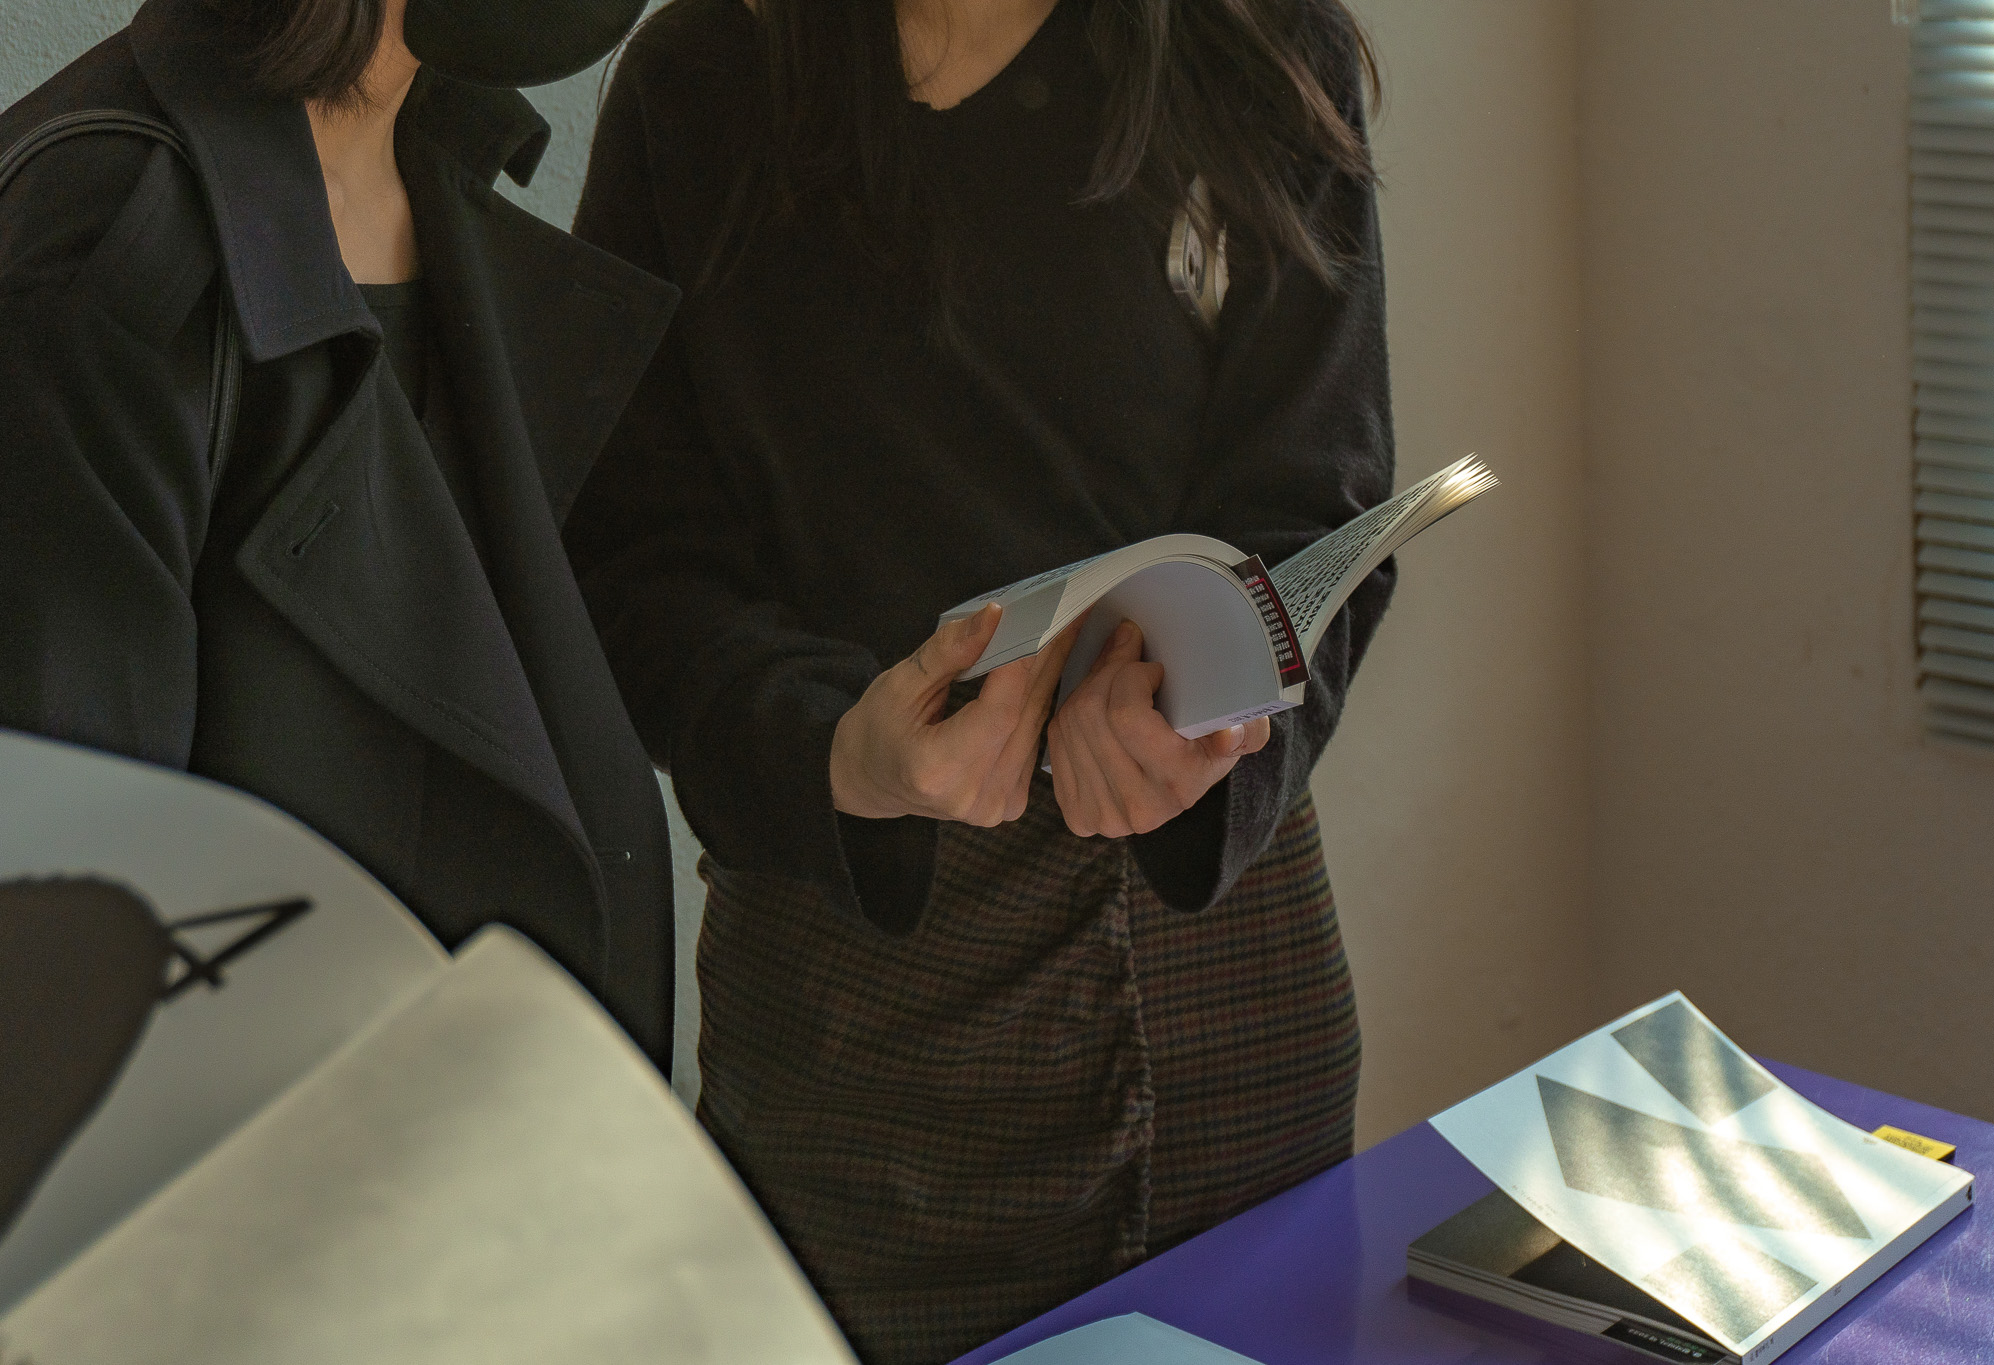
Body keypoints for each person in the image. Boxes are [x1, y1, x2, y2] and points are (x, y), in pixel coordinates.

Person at [568, 0, 1394, 1357]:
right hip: (853, 1027)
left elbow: (1322, 504)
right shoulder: (700, 80)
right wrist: (837, 747)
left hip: (1218, 991)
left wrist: (1203, 705)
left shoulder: (1253, 47)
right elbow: (630, 555)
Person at [0, 0, 680, 1069]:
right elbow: (68, 942)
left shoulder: (428, 170)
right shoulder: (113, 237)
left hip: (479, 1121)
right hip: (260, 1137)